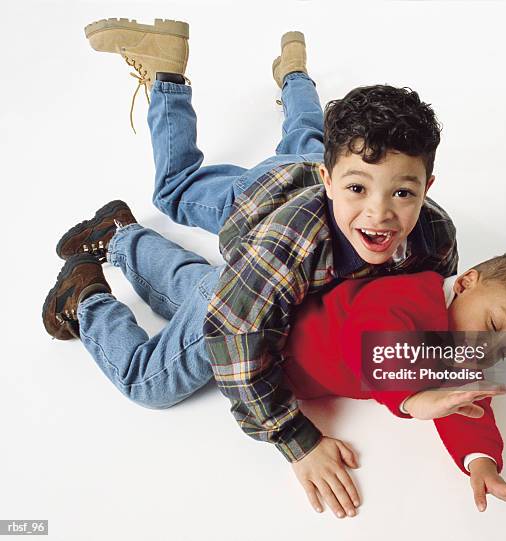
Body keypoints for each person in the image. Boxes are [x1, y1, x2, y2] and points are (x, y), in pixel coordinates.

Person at [51, 18, 459, 516]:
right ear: (331, 182)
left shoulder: (433, 233)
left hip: (304, 169)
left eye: (403, 192)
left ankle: (295, 75)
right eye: (358, 189)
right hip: (260, 203)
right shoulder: (283, 247)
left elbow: (432, 300)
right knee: (152, 371)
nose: (379, 213)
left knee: (310, 136)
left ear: (427, 187)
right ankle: (88, 284)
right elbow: (233, 335)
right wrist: (296, 438)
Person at [42, 200, 506, 520]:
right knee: (148, 382)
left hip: (243, 296)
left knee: (195, 286)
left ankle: (120, 234)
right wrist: (415, 399)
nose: (486, 350)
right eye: (492, 326)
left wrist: (483, 462)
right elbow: (376, 349)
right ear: (465, 282)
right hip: (251, 339)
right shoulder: (414, 297)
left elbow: (466, 406)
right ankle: (85, 299)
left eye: (504, 350)